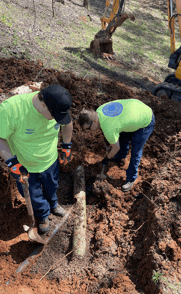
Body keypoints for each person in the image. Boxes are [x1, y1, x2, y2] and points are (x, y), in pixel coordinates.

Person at [0, 84, 73, 234]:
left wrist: (66, 146)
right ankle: (43, 215)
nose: (56, 120)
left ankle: (53, 204)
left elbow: (67, 123)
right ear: (43, 105)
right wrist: (12, 163)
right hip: (25, 165)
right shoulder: (12, 110)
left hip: (50, 161)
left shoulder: (57, 104)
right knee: (34, 196)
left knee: (52, 186)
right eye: (54, 116)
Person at [78, 99, 155, 192]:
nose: (90, 131)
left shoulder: (108, 128)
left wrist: (107, 158)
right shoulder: (99, 110)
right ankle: (121, 156)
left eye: (88, 128)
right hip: (138, 109)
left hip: (146, 119)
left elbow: (116, 147)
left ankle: (131, 178)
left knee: (136, 150)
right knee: (122, 135)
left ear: (94, 121)